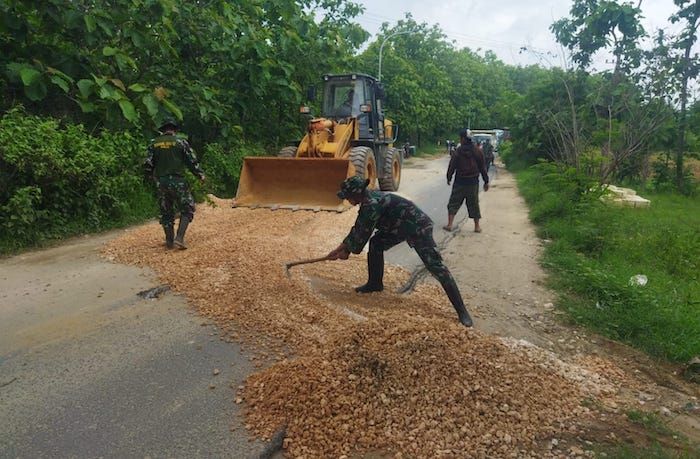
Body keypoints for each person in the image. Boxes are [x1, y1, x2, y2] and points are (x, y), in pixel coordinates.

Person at [326, 176, 474, 327]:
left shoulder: (372, 205)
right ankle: (374, 284)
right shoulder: (368, 200)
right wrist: (340, 249)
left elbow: (362, 235)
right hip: (398, 228)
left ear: (356, 195)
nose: (347, 200)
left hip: (418, 227)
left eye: (348, 197)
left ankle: (462, 311)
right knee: (377, 242)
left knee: (435, 266)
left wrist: (347, 252)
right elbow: (358, 229)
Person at [144, 119, 205, 250]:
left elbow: (148, 164)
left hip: (162, 182)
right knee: (187, 209)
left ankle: (169, 242)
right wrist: (199, 174)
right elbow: (191, 161)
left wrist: (151, 178)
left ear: (163, 129)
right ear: (175, 130)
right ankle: (180, 238)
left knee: (166, 212)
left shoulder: (153, 144)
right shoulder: (180, 142)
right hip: (178, 182)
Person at [444, 129, 489, 233]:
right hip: (473, 183)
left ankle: (450, 224)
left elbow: (452, 166)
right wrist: (486, 181)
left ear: (463, 139)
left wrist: (449, 177)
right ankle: (477, 227)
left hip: (460, 181)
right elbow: (482, 167)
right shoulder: (477, 151)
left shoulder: (458, 151)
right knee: (474, 204)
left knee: (453, 203)